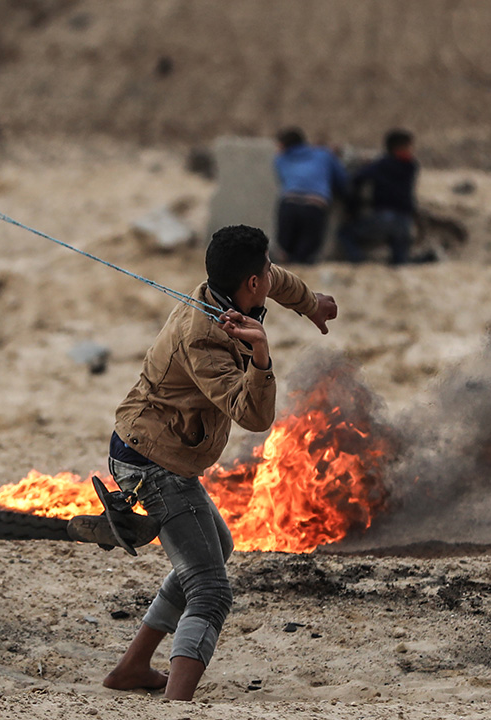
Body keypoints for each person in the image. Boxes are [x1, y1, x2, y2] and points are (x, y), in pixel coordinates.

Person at [91, 224, 338, 700]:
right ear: (251, 283)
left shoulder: (236, 285)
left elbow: (278, 280)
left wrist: (312, 304)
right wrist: (261, 356)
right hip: (150, 462)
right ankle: (176, 703)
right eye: (265, 271)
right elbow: (253, 417)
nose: (271, 276)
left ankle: (132, 668)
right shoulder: (203, 340)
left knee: (215, 548)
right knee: (211, 590)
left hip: (165, 454)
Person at [340, 129, 418, 265]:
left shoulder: (381, 165)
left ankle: (358, 261)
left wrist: (352, 207)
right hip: (405, 220)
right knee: (400, 262)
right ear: (401, 147)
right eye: (409, 146)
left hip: (384, 217)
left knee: (345, 234)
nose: (412, 150)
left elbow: (356, 179)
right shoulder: (411, 166)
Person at [272, 128, 348, 264]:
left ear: (283, 145)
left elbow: (284, 179)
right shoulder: (324, 155)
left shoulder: (280, 159)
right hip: (315, 205)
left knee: (285, 250)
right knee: (307, 252)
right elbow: (342, 180)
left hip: (289, 203)